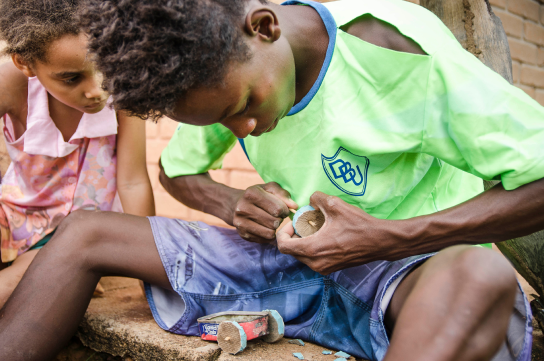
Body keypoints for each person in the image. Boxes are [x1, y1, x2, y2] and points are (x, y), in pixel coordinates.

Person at [1, 0, 543, 360]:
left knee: (478, 271)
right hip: (285, 262)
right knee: (86, 231)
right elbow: (177, 170)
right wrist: (232, 202)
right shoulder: (207, 67)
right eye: (221, 122)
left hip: (398, 275)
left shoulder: (398, 51)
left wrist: (389, 237)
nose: (245, 129)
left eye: (244, 106)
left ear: (264, 28)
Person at [0, 0, 155, 308]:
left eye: (105, 68)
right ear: (26, 64)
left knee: (13, 286)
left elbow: (133, 182)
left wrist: (148, 280)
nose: (97, 90)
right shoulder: (10, 84)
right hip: (14, 213)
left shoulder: (124, 91)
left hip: (78, 233)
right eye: (72, 78)